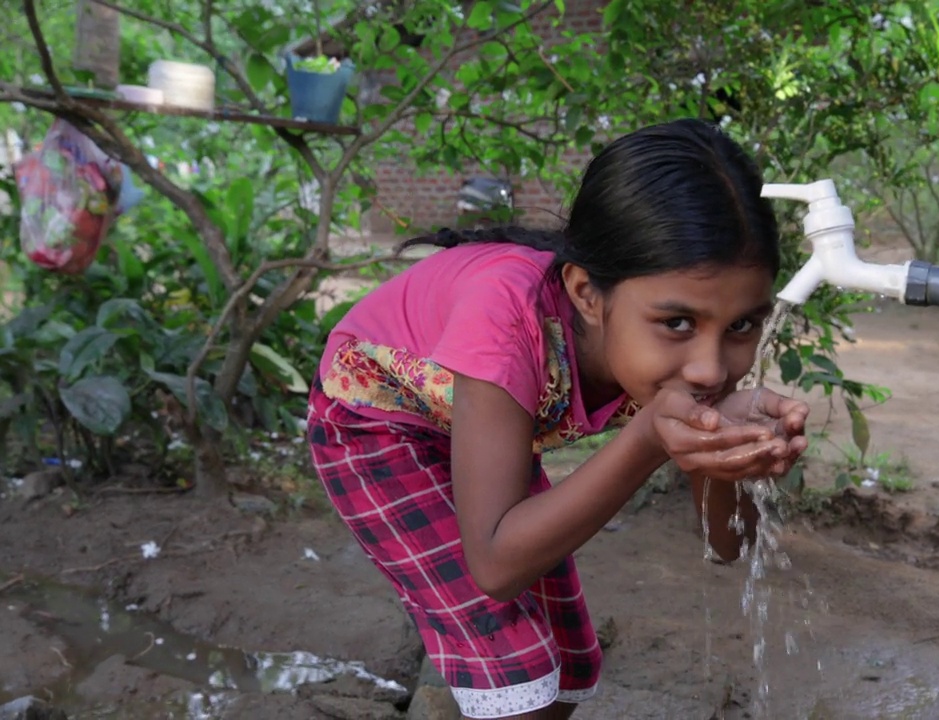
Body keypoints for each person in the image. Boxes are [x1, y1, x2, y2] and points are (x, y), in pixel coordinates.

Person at [305, 118, 810, 720]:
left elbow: (728, 546)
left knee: (571, 663)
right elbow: (495, 565)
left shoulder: (680, 363)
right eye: (677, 322)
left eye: (742, 326)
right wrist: (649, 438)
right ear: (587, 294)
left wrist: (730, 454)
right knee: (516, 667)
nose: (709, 369)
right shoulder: (507, 317)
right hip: (373, 425)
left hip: (479, 420)